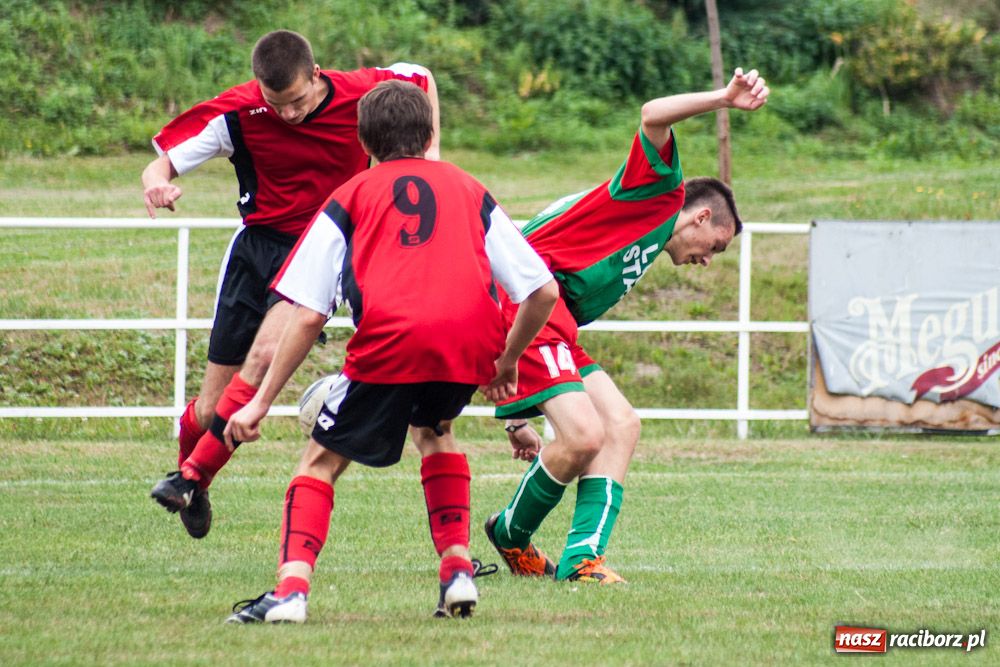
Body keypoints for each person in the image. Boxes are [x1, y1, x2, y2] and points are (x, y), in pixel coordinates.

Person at [221, 80, 559, 622]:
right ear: (429, 134)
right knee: (436, 433)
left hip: (393, 339)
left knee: (320, 461)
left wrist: (260, 400)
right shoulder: (470, 189)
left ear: (364, 143)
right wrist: (508, 357)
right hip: (465, 342)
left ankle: (289, 593)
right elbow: (541, 291)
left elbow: (308, 313)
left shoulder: (351, 196)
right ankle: (457, 573)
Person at [143, 30, 440, 539]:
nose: (289, 115)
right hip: (256, 251)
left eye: (298, 101)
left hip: (320, 250)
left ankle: (192, 475)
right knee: (212, 408)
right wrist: (156, 182)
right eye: (276, 104)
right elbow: (163, 160)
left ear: (317, 74)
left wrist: (429, 163)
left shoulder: (359, 92)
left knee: (262, 361)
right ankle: (194, 474)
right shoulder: (238, 112)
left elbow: (421, 77)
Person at [485, 67, 770, 584]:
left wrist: (516, 417)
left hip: (552, 321)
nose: (710, 260)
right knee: (582, 436)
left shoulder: (646, 242)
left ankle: (580, 559)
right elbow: (652, 114)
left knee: (621, 425)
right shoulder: (658, 191)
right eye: (716, 248)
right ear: (701, 218)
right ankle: (510, 532)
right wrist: (725, 100)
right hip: (527, 304)